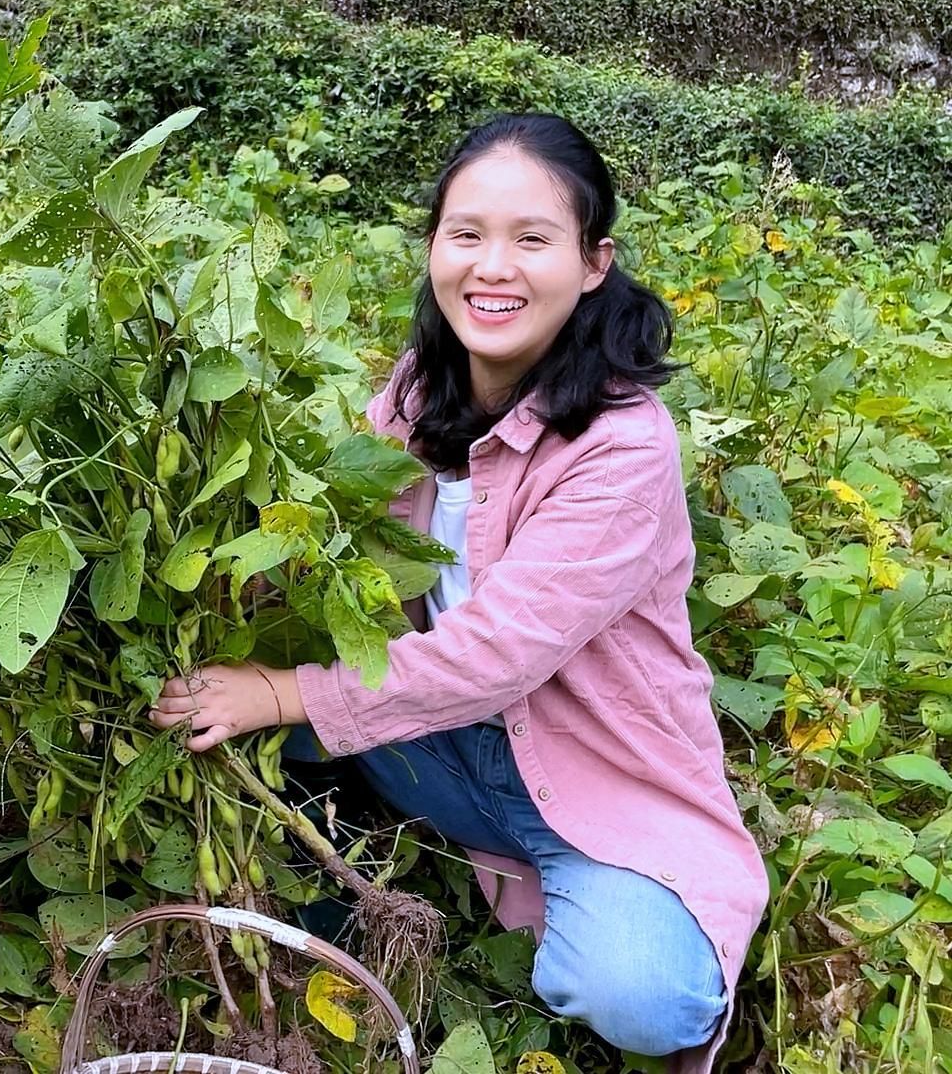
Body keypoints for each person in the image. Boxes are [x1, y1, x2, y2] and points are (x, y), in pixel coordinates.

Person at [149, 113, 766, 1072]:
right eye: (466, 234)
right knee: (229, 724)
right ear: (434, 244)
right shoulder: (412, 393)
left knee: (647, 1000)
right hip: (434, 743)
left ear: (594, 263)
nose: (493, 267)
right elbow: (336, 551)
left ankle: (558, 879)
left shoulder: (622, 445)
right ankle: (352, 917)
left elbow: (497, 656)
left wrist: (277, 690)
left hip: (588, 767)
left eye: (532, 239)